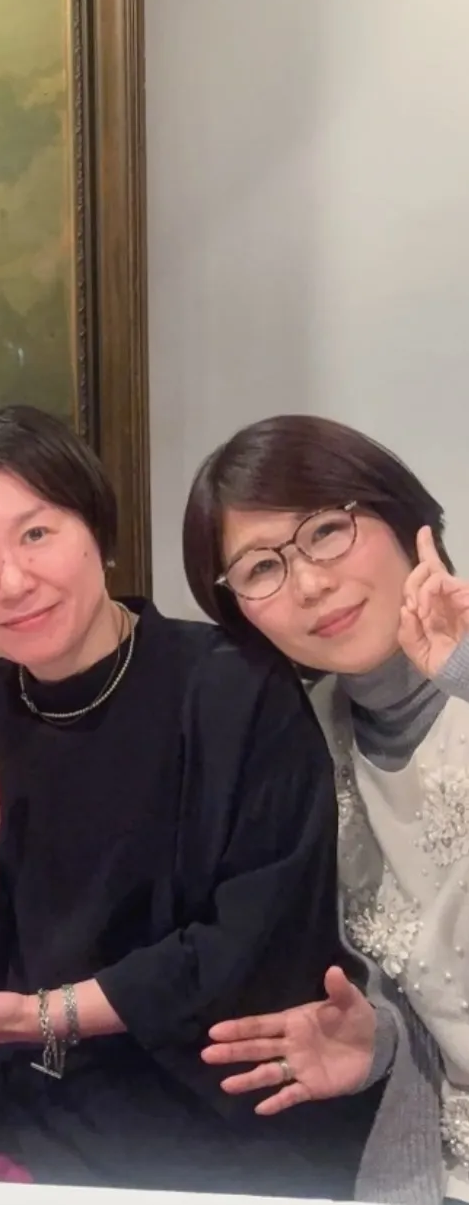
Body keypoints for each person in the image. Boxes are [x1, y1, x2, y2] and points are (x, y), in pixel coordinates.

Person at [0, 403, 380, 1198]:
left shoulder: (233, 686)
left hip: (230, 1124)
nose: (12, 580)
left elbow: (252, 940)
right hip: (39, 1131)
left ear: (96, 527)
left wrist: (45, 1015)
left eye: (35, 533)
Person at [184, 413, 469, 1204]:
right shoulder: (302, 741)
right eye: (259, 567)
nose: (309, 583)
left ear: (400, 514)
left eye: (325, 531)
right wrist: (381, 1040)